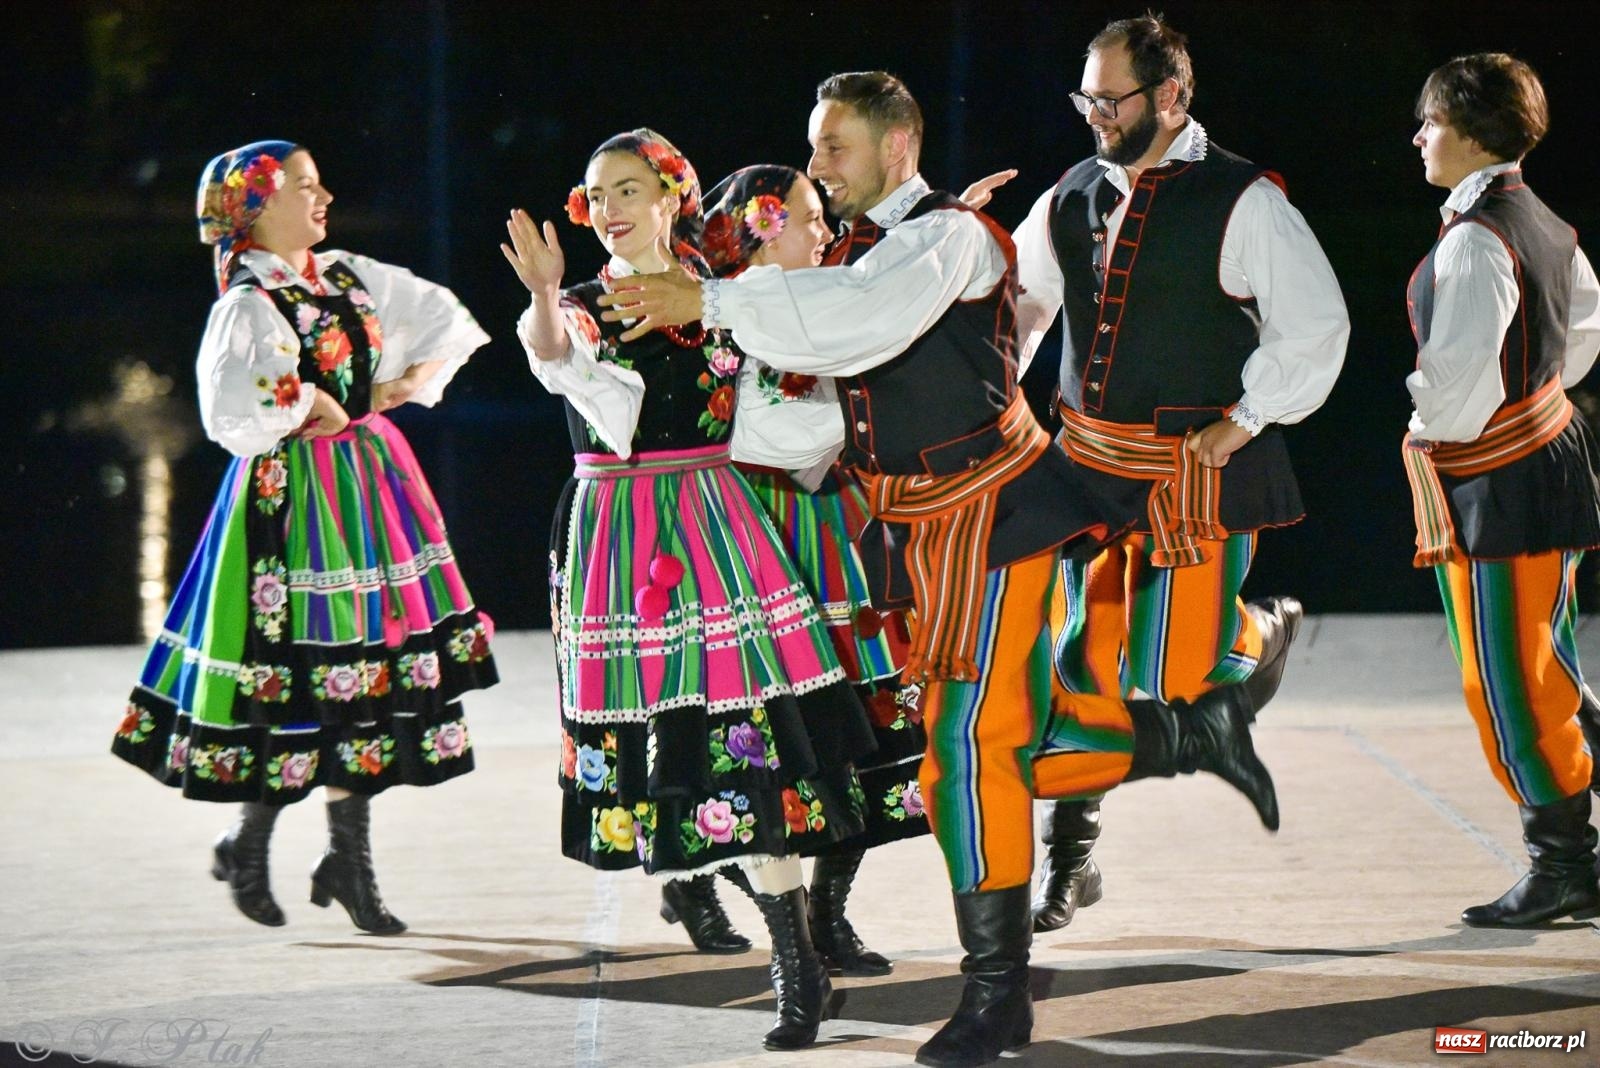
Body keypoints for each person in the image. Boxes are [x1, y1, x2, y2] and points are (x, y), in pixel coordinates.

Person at [597, 73, 1280, 1068]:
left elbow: (858, 317)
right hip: (922, 529)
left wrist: (704, 296)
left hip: (1000, 509)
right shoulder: (860, 250)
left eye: (833, 148)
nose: (817, 170)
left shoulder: (943, 237)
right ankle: (1190, 729)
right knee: (989, 742)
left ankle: (995, 996)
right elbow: (816, 387)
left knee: (965, 749)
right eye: (814, 149)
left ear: (897, 146)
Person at [502, 128, 879, 1051]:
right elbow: (559, 357)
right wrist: (548, 294)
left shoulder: (726, 305)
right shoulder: (583, 305)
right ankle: (762, 938)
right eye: (599, 194)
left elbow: (783, 405)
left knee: (747, 750)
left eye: (632, 188)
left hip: (714, 525)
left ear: (675, 198)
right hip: (619, 539)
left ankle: (796, 971)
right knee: (684, 753)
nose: (613, 208)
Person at [1009, 14, 1349, 931]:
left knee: (1174, 670)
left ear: (1170, 96)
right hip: (1084, 469)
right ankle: (1070, 860)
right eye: (1085, 96)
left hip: (1189, 476)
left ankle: (1260, 634)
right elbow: (1023, 310)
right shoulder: (1068, 194)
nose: (1093, 116)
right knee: (1082, 667)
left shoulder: (1245, 201)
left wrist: (1241, 423)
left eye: (1108, 98)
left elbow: (1317, 329)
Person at [112, 140, 498, 936]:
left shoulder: (347, 276)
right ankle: (254, 840)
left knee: (361, 677)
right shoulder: (248, 303)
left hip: (364, 488)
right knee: (297, 675)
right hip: (289, 503)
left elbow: (444, 317)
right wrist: (308, 405)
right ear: (254, 210)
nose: (322, 197)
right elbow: (231, 416)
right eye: (303, 187)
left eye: (319, 183)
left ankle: (343, 861)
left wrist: (392, 387)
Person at [702, 163, 928, 977]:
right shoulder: (715, 317)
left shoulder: (828, 299)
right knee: (782, 736)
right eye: (807, 216)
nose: (826, 230)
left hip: (834, 523)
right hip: (756, 528)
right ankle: (764, 906)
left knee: (867, 727)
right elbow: (766, 431)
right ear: (763, 226)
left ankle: (829, 912)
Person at [1402, 53, 1600, 926]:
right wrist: (1534, 395)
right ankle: (1570, 856)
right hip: (1546, 454)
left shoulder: (1479, 237)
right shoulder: (1545, 223)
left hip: (1501, 474)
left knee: (1508, 678)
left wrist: (1426, 430)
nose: (1419, 136)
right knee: (1540, 657)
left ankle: (1564, 866)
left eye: (1432, 121)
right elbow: (1583, 330)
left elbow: (1457, 380)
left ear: (1474, 133)